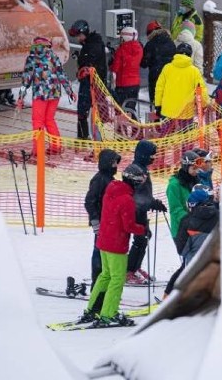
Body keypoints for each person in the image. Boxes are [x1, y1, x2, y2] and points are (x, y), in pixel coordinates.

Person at [79, 164, 149, 327]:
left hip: (104, 240)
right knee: (117, 279)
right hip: (116, 244)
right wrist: (142, 229)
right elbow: (128, 226)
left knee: (105, 276)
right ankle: (108, 313)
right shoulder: (127, 199)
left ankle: (92, 309)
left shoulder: (112, 189)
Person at [19, 36, 75, 154]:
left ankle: (38, 150)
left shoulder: (32, 58)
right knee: (49, 120)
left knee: (38, 121)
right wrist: (70, 91)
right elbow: (61, 75)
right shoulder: (53, 57)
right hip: (55, 94)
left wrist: (20, 97)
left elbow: (26, 80)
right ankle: (56, 147)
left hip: (40, 95)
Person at [126, 140, 167, 285]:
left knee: (144, 236)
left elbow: (144, 194)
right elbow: (136, 195)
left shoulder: (142, 167)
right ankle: (129, 270)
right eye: (151, 155)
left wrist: (152, 202)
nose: (153, 158)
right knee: (141, 238)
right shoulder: (135, 169)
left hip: (141, 210)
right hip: (135, 210)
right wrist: (151, 203)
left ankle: (135, 267)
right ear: (143, 155)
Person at [84, 149, 121, 294]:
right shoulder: (99, 179)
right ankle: (96, 287)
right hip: (102, 224)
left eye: (116, 162)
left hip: (110, 224)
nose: (115, 165)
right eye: (113, 162)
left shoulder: (110, 179)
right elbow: (89, 201)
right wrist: (95, 222)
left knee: (106, 257)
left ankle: (103, 286)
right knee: (99, 255)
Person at [69, 20, 107, 140]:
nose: (78, 39)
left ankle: (85, 137)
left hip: (91, 83)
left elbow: (89, 62)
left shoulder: (92, 45)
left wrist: (82, 62)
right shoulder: (92, 43)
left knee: (85, 111)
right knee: (94, 111)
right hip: (93, 82)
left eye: (79, 36)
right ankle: (89, 136)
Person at [155, 43, 209, 120]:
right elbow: (201, 90)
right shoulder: (194, 71)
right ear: (190, 55)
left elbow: (159, 89)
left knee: (168, 132)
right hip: (186, 113)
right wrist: (203, 105)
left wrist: (158, 105)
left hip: (168, 111)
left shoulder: (167, 68)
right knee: (186, 132)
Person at [174, 186, 219, 266]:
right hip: (218, 264)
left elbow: (182, 249)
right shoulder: (221, 216)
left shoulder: (187, 221)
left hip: (195, 267)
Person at [166, 151, 203, 244]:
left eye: (198, 168)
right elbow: (175, 209)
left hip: (197, 227)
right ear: (186, 167)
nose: (197, 171)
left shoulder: (196, 180)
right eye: (194, 168)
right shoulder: (174, 185)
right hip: (181, 229)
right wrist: (190, 220)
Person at [140, 20, 176, 108]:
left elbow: (144, 64)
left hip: (155, 77)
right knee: (167, 103)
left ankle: (155, 120)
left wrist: (141, 50)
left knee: (155, 104)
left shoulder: (150, 44)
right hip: (169, 76)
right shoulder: (171, 43)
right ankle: (167, 120)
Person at [110, 26, 143, 112]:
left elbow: (115, 68)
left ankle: (122, 125)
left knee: (121, 110)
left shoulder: (121, 50)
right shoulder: (139, 48)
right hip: (135, 83)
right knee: (131, 108)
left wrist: (111, 62)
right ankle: (134, 124)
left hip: (123, 84)